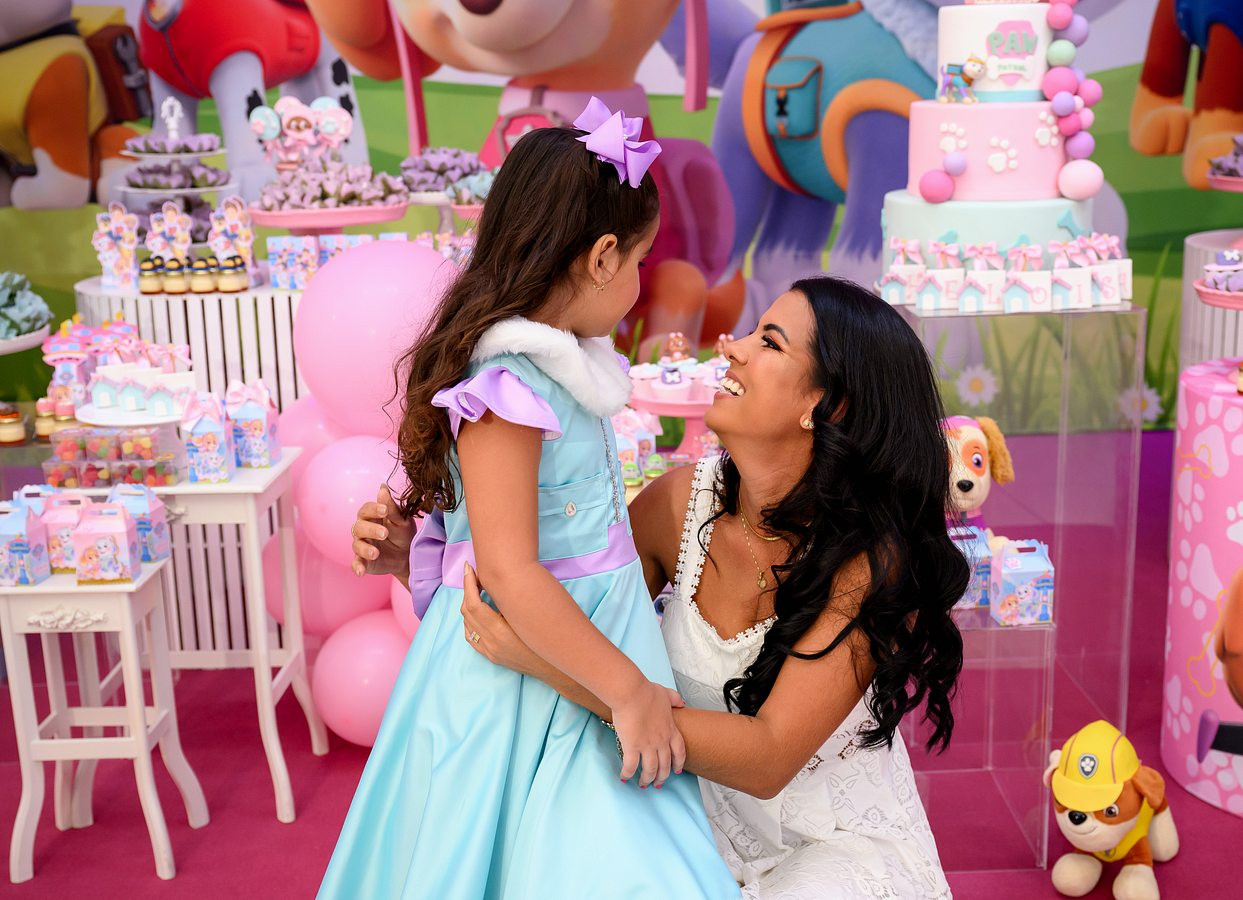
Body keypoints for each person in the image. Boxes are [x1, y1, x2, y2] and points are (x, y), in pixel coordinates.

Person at [321, 105, 741, 899]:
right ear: (603, 257)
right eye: (640, 259)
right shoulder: (508, 390)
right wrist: (627, 690)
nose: (641, 280)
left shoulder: (561, 373)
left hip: (584, 642)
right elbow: (511, 572)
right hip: (534, 670)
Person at [454, 277, 968, 898]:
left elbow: (770, 755)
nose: (732, 346)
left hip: (833, 849)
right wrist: (427, 557)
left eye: (769, 342)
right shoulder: (678, 505)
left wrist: (573, 678)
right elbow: (572, 611)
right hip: (691, 832)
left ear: (827, 406)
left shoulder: (870, 563)